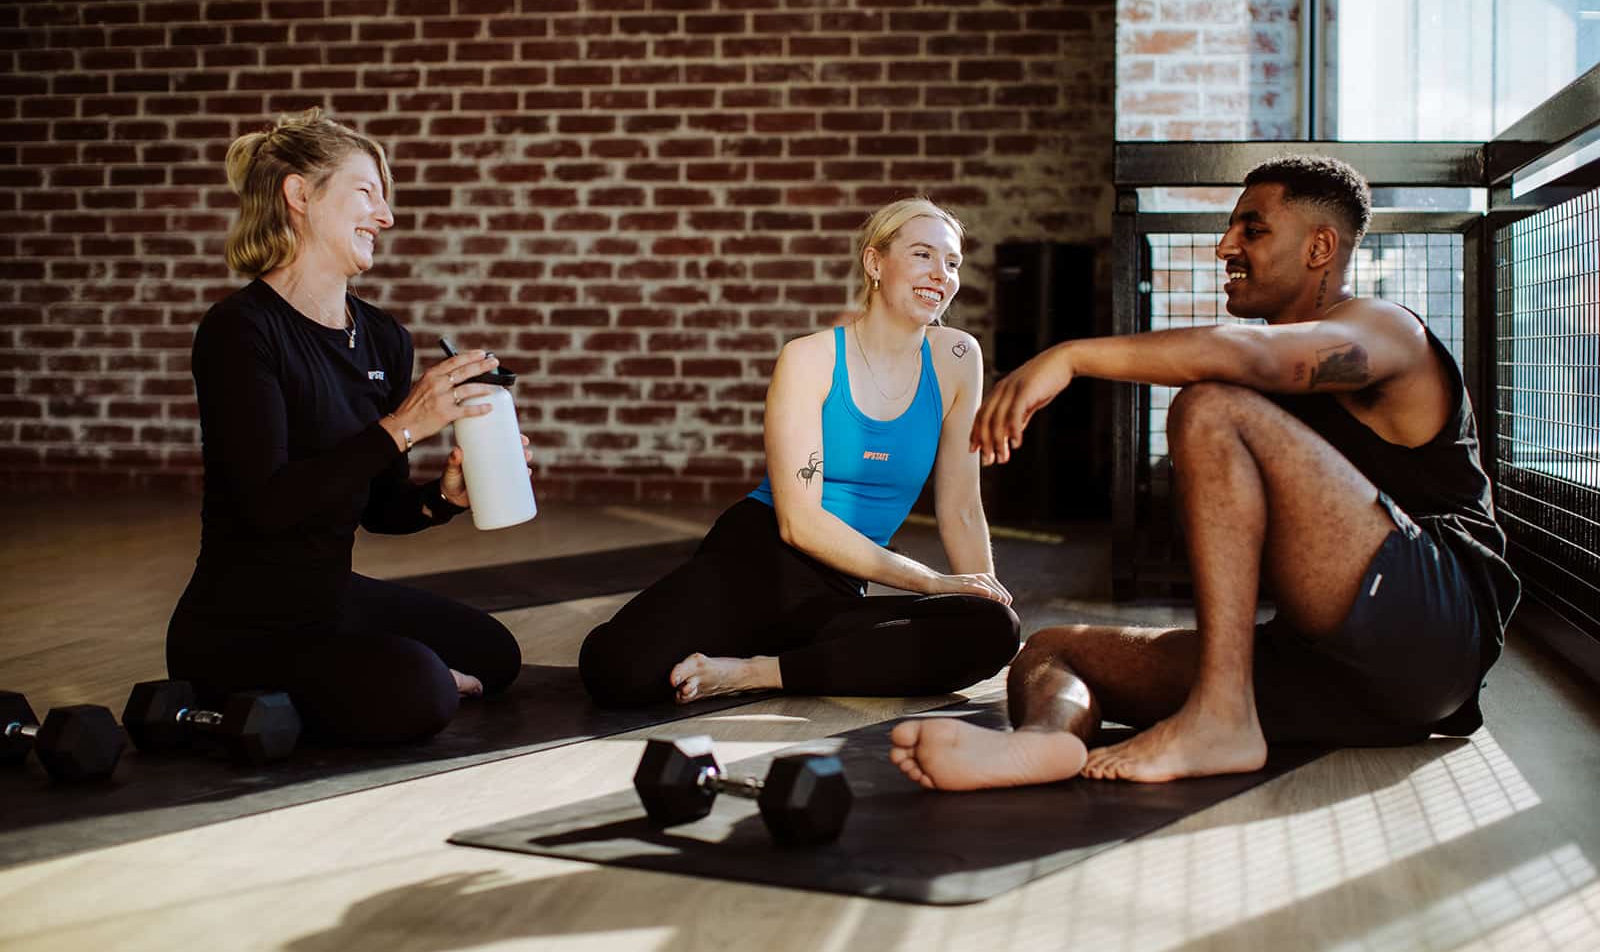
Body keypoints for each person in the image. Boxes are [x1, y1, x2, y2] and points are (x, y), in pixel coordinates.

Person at [890, 155, 1519, 788]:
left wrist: (1071, 356)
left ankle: (1220, 716)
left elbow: (1252, 357)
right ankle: (1044, 743)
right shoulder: (1267, 384)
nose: (1225, 246)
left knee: (1209, 405)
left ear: (1320, 247)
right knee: (1053, 650)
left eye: (1253, 228)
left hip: (1434, 626)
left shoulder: (1387, 330)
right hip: (1326, 666)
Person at [165, 107, 525, 746]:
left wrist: (444, 499)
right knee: (421, 690)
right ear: (299, 195)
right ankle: (402, 683)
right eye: (366, 193)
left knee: (495, 653)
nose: (385, 217)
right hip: (240, 627)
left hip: (330, 601)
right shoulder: (241, 331)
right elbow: (266, 506)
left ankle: (389, 682)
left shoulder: (384, 337)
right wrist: (403, 426)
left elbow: (381, 509)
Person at [579, 198, 1022, 707]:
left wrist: (979, 591)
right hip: (759, 557)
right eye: (923, 255)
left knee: (993, 630)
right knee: (616, 672)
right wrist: (932, 581)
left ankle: (759, 671)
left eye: (952, 263)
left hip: (839, 587)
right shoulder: (809, 358)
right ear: (875, 263)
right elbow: (799, 524)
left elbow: (962, 507)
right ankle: (767, 650)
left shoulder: (958, 358)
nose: (940, 274)